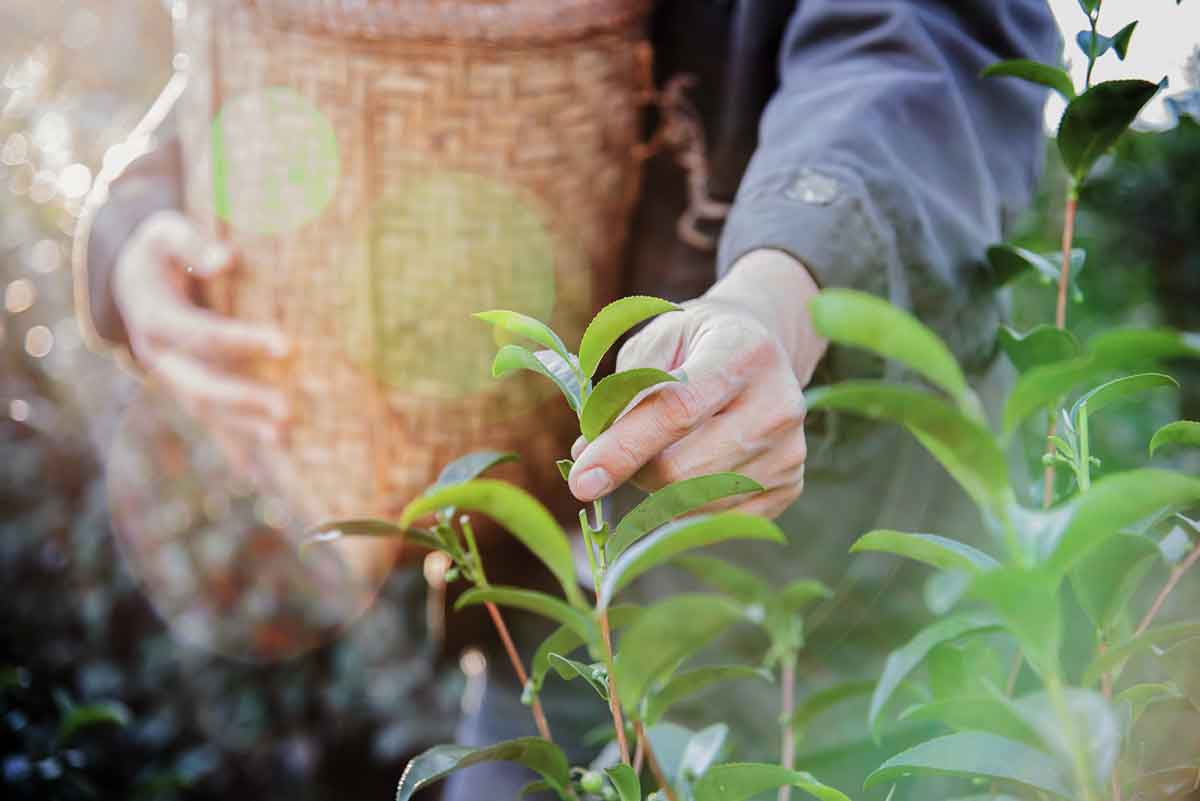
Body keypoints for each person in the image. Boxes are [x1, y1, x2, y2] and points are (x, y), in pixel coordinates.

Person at [75, 1, 1060, 798]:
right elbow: (323, 39)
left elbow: (921, 48)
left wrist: (776, 294)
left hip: (829, 613)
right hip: (542, 616)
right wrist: (135, 229)